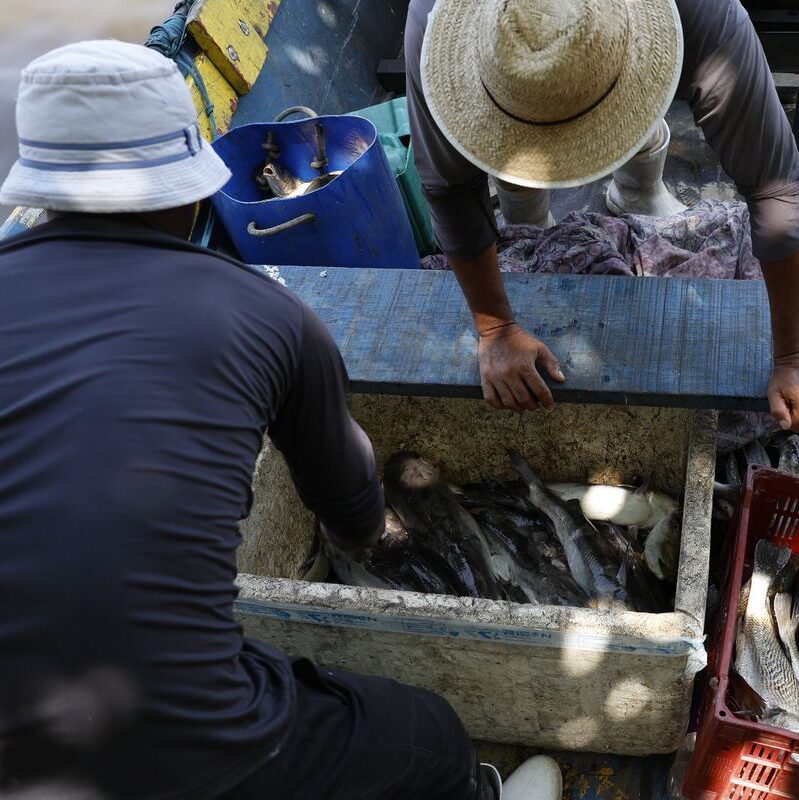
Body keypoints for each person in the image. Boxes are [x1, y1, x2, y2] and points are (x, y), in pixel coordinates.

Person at [0, 40, 559, 800]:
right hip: (181, 741)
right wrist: (370, 533)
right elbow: (354, 512)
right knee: (430, 734)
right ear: (188, 195)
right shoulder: (268, 314)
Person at [406, 0, 799, 433]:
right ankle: (525, 207)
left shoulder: (705, 15)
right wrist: (496, 328)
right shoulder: (434, 29)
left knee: (622, 113)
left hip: (641, 59)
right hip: (508, 104)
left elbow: (774, 186)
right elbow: (450, 190)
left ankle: (637, 188)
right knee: (519, 175)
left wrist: (795, 355)